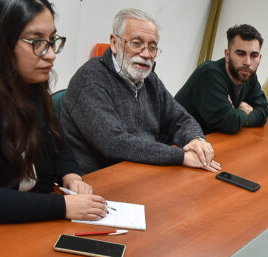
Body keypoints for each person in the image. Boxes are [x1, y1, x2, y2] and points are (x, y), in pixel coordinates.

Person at [0, 0, 107, 228]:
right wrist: (62, 207)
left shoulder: (27, 81)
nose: (51, 54)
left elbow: (57, 141)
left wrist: (71, 175)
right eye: (37, 42)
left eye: (52, 40)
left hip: (16, 220)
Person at [60, 9, 218, 174]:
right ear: (114, 43)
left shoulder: (149, 79)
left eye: (152, 47)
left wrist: (196, 139)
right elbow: (114, 143)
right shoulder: (90, 79)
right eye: (136, 43)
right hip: (98, 179)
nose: (146, 54)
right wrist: (181, 156)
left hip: (141, 170)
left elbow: (180, 119)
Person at [174, 24, 268, 134]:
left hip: (209, 140)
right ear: (227, 55)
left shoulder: (248, 75)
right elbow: (229, 123)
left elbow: (263, 112)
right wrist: (244, 111)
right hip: (177, 142)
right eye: (241, 54)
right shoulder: (209, 73)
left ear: (260, 58)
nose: (247, 62)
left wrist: (237, 115)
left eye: (254, 56)